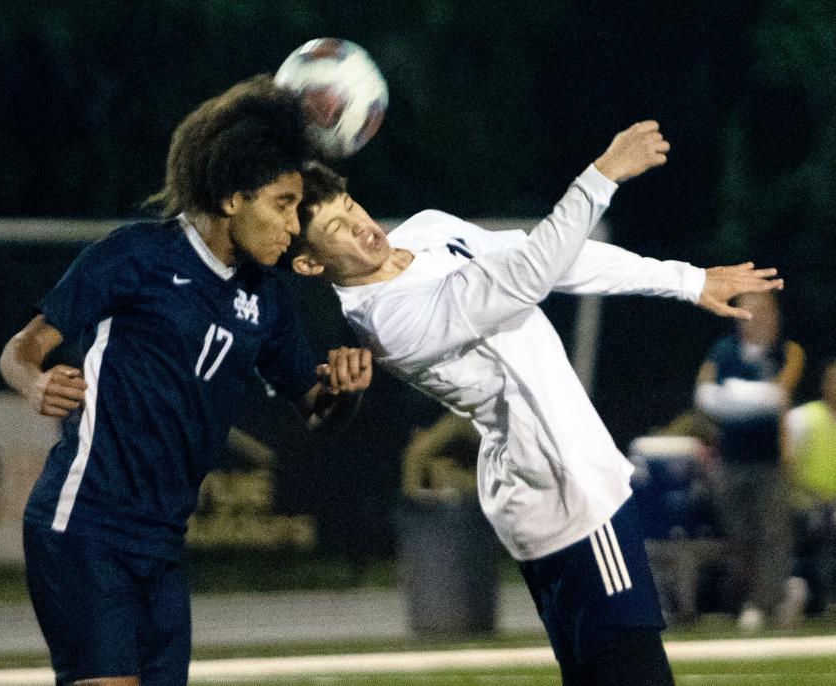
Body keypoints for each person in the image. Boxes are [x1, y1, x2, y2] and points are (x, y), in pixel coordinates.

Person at [287, 120, 784, 685]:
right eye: (334, 227)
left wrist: (685, 280)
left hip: (550, 488)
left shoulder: (425, 229)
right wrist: (601, 176)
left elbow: (555, 257)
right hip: (566, 489)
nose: (360, 225)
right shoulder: (389, 321)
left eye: (350, 205)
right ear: (309, 263)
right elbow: (527, 276)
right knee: (635, 673)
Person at [0, 75, 372, 686]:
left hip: (165, 544)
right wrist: (34, 383)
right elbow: (21, 348)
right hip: (85, 525)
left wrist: (342, 393)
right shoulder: (136, 257)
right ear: (231, 198)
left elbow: (316, 408)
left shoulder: (268, 299)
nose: (291, 224)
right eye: (281, 204)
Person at [695, 291, 805, 631]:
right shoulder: (721, 351)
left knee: (773, 536)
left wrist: (731, 397)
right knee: (738, 537)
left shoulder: (788, 351)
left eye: (765, 311)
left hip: (769, 461)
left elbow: (777, 394)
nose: (759, 318)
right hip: (730, 462)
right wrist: (746, 399)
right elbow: (703, 393)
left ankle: (762, 604)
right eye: (751, 311)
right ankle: (755, 599)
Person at [785, 358, 836, 615]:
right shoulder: (803, 418)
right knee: (823, 522)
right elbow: (787, 466)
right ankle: (824, 600)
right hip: (806, 503)